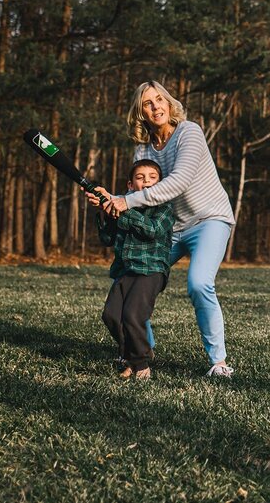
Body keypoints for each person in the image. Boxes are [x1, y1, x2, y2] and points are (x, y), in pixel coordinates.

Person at [90, 80, 237, 378]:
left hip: (208, 219)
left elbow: (178, 181)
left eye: (160, 100)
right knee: (128, 275)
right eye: (148, 103)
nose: (156, 106)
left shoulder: (189, 132)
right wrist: (109, 203)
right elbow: (139, 194)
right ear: (140, 112)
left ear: (169, 104)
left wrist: (125, 201)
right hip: (167, 228)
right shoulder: (143, 148)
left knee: (198, 284)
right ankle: (139, 351)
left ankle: (218, 362)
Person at [97, 159, 175, 380]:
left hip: (151, 270)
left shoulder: (165, 208)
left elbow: (151, 230)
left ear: (161, 185)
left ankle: (140, 364)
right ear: (130, 185)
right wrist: (105, 212)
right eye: (140, 178)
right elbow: (106, 238)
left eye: (153, 178)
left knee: (132, 315)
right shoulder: (120, 208)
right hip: (126, 270)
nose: (146, 182)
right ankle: (129, 354)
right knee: (111, 315)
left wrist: (123, 208)